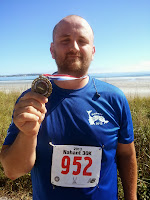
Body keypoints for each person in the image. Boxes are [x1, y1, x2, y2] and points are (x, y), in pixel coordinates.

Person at [0, 15, 137, 200]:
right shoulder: (32, 100)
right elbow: (12, 171)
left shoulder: (115, 98)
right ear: (52, 49)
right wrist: (28, 134)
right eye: (65, 40)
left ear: (93, 51)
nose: (74, 47)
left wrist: (132, 197)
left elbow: (126, 155)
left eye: (82, 41)